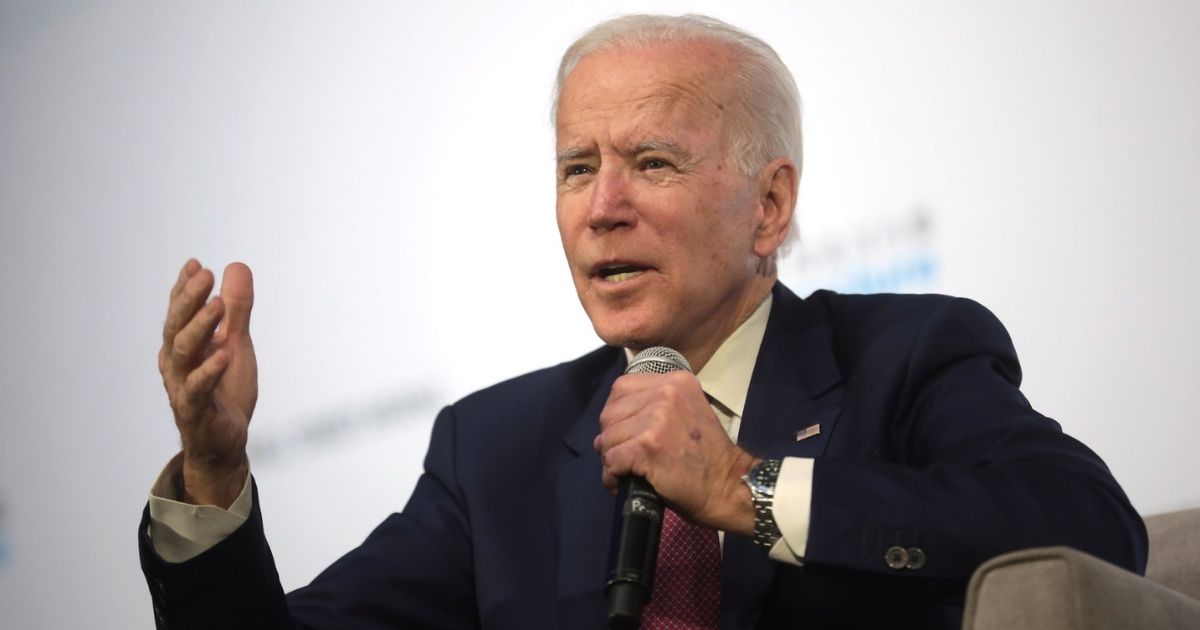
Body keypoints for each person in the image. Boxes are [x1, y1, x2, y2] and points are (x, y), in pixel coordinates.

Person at [140, 14, 1147, 630]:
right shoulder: (496, 450)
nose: (601, 205)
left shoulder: (905, 356)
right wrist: (216, 474)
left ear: (769, 204)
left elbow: (1091, 532)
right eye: (579, 167)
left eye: (652, 162)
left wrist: (739, 487)